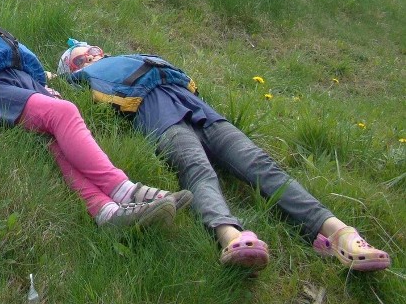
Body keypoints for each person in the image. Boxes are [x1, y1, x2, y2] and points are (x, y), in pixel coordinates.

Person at [57, 41, 392, 271]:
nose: (88, 59)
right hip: (158, 118)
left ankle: (338, 233)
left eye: (91, 53)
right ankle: (232, 237)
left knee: (260, 164)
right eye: (79, 60)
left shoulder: (129, 59)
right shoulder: (83, 80)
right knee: (197, 169)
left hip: (202, 112)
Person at [0, 0, 193, 232]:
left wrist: (46, 88)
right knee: (63, 113)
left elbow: (23, 65)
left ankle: (108, 214)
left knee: (57, 141)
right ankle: (126, 190)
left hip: (21, 87)